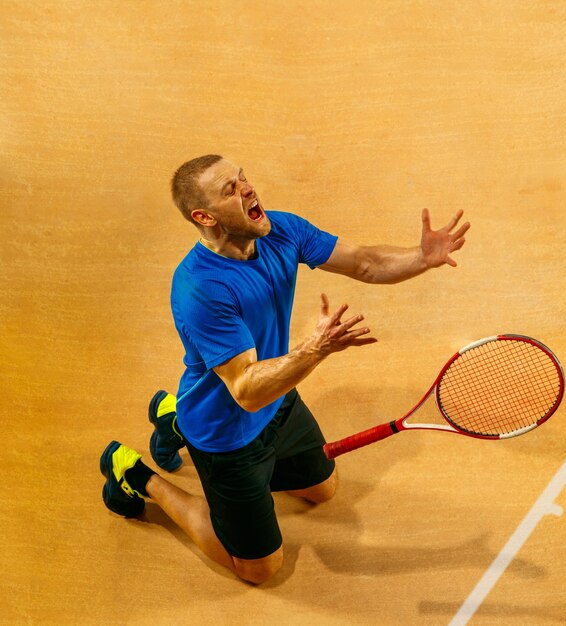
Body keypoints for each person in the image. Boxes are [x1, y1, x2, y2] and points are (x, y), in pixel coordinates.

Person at [100, 154, 470, 584]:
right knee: (261, 569)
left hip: (278, 402)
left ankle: (171, 416)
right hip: (226, 432)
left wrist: (420, 258)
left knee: (323, 490)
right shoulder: (201, 288)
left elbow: (364, 262)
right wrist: (315, 350)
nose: (248, 189)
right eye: (230, 190)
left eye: (243, 179)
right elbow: (245, 390)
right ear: (204, 216)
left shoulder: (282, 231)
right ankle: (140, 477)